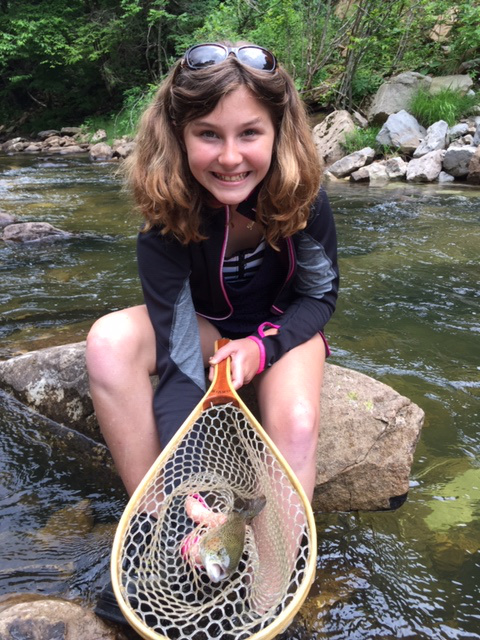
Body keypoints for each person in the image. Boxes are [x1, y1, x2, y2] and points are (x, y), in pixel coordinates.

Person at [86, 42, 339, 507]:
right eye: (208, 134)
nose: (229, 158)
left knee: (298, 423)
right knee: (108, 342)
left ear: (278, 132)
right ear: (178, 135)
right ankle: (165, 518)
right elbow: (181, 366)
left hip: (282, 329)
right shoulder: (164, 218)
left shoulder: (305, 197)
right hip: (203, 332)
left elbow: (320, 299)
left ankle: (274, 567)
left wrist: (262, 348)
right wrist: (189, 483)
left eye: (249, 133)